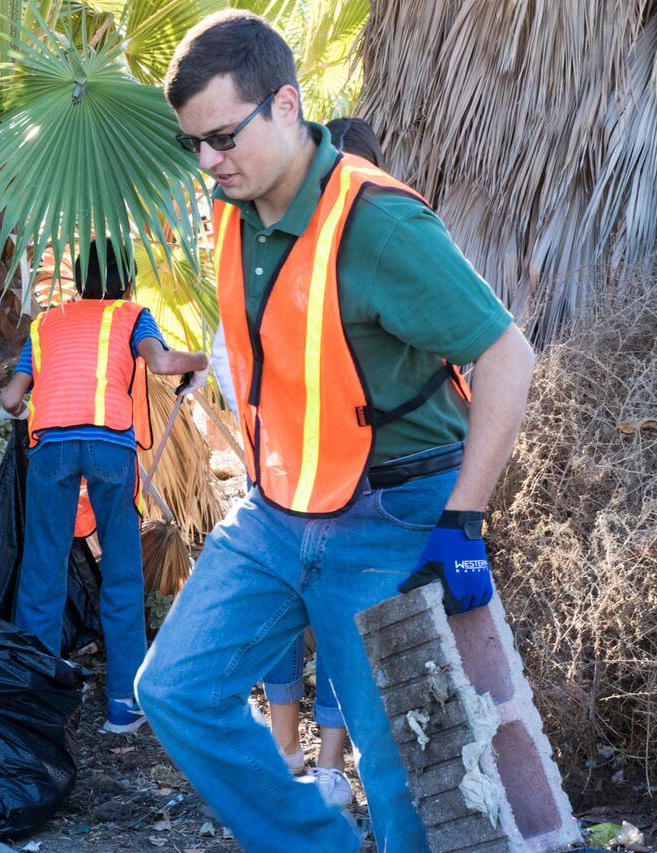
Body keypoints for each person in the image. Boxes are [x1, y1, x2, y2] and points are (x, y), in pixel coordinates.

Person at [136, 11, 535, 853]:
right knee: (173, 688)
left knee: (401, 776)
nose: (208, 161)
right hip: (279, 510)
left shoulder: (380, 223)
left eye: (222, 137)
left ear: (286, 105)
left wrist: (464, 521)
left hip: (392, 519)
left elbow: (508, 357)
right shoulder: (233, 209)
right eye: (192, 145)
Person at [0, 239, 207, 734]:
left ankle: (38, 705)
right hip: (111, 448)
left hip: (50, 447)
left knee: (41, 571)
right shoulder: (133, 315)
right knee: (120, 574)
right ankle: (123, 707)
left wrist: (34, 414)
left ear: (78, 280)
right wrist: (201, 360)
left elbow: (11, 398)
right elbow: (159, 363)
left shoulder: (46, 322)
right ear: (127, 282)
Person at [257, 115, 386, 807]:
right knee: (314, 613)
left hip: (326, 470)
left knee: (316, 614)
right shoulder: (364, 243)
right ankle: (310, 759)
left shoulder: (290, 247)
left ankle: (311, 759)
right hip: (310, 470)